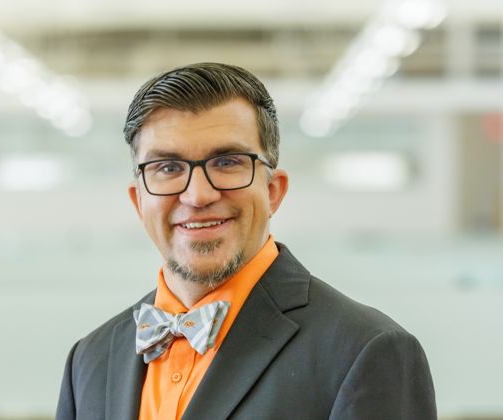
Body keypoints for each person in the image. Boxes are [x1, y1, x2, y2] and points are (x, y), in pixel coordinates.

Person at [56, 62, 436, 420]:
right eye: (168, 168)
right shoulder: (89, 360)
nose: (198, 195)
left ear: (273, 191)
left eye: (227, 162)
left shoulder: (366, 350)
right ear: (139, 201)